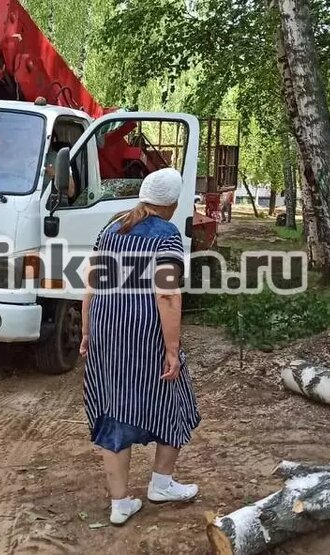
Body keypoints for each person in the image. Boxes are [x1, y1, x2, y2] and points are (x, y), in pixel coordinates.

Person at [80, 168, 200, 526]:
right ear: (173, 203)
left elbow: (91, 283)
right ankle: (161, 484)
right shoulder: (167, 236)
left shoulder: (112, 228)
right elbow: (166, 294)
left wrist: (87, 329)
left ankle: (120, 503)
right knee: (173, 397)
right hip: (144, 331)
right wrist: (172, 349)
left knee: (114, 405)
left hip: (105, 327)